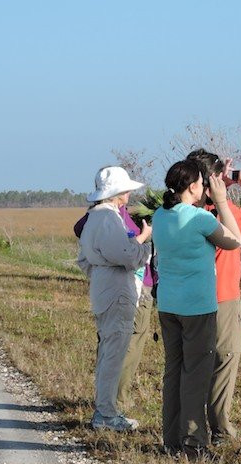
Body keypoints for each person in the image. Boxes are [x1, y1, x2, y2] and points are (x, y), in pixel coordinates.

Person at [151, 159, 241, 459]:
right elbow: (234, 240)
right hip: (197, 309)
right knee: (196, 376)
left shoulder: (160, 216)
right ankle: (193, 443)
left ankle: (171, 439)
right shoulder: (199, 219)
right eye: (202, 184)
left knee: (173, 372)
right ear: (192, 187)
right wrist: (221, 201)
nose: (205, 188)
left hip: (168, 305)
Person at [185, 149, 241, 444]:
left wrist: (220, 189)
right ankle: (220, 427)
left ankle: (191, 427)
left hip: (189, 298)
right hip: (223, 298)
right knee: (224, 360)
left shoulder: (183, 212)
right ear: (212, 181)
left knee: (194, 363)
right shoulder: (222, 213)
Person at [76, 166, 152, 432]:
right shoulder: (108, 218)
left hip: (102, 286)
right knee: (114, 353)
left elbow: (83, 259)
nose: (130, 193)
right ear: (117, 192)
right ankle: (106, 414)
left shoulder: (94, 218)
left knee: (108, 350)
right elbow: (128, 256)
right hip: (117, 288)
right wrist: (143, 244)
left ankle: (104, 408)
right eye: (127, 189)